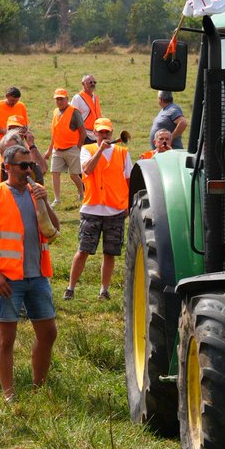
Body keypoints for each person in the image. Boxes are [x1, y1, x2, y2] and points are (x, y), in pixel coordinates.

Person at [0, 146, 60, 402]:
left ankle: (39, 387)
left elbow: (54, 229)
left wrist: (45, 199)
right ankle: (9, 395)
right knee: (6, 338)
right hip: (8, 278)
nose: (28, 170)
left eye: (31, 165)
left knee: (48, 333)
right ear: (7, 168)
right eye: (23, 166)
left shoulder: (36, 194)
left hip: (38, 276)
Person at [65, 118, 131, 301]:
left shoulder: (123, 153)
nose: (104, 135)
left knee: (110, 253)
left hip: (115, 210)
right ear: (94, 134)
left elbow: (129, 180)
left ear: (112, 133)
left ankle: (104, 290)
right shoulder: (87, 150)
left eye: (107, 132)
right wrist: (101, 150)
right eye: (100, 132)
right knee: (83, 250)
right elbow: (87, 169)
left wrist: (128, 205)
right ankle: (70, 288)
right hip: (92, 208)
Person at [46, 87, 86, 207]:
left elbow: (83, 132)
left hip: (72, 149)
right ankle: (57, 199)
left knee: (74, 175)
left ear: (67, 99)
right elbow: (55, 133)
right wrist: (49, 150)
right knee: (54, 172)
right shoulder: (55, 112)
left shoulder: (74, 112)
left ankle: (81, 192)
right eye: (57, 99)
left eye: (61, 99)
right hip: (57, 149)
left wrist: (78, 147)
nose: (59, 101)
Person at [72, 74, 101, 143]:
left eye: (94, 82)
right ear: (83, 84)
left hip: (96, 134)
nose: (93, 84)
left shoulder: (95, 97)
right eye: (90, 82)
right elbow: (73, 118)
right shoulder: (77, 98)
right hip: (84, 134)